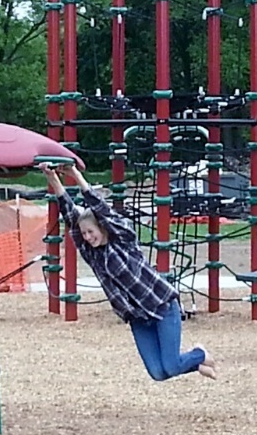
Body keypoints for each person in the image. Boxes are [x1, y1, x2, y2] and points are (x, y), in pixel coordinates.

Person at [39, 162, 217, 381]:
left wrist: (75, 175)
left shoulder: (124, 240)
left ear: (102, 227)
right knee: (158, 373)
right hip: (137, 317)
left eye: (91, 231)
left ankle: (199, 354)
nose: (87, 237)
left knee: (170, 367)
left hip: (161, 305)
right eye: (84, 233)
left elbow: (101, 209)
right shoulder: (93, 255)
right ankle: (194, 363)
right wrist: (52, 178)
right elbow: (69, 215)